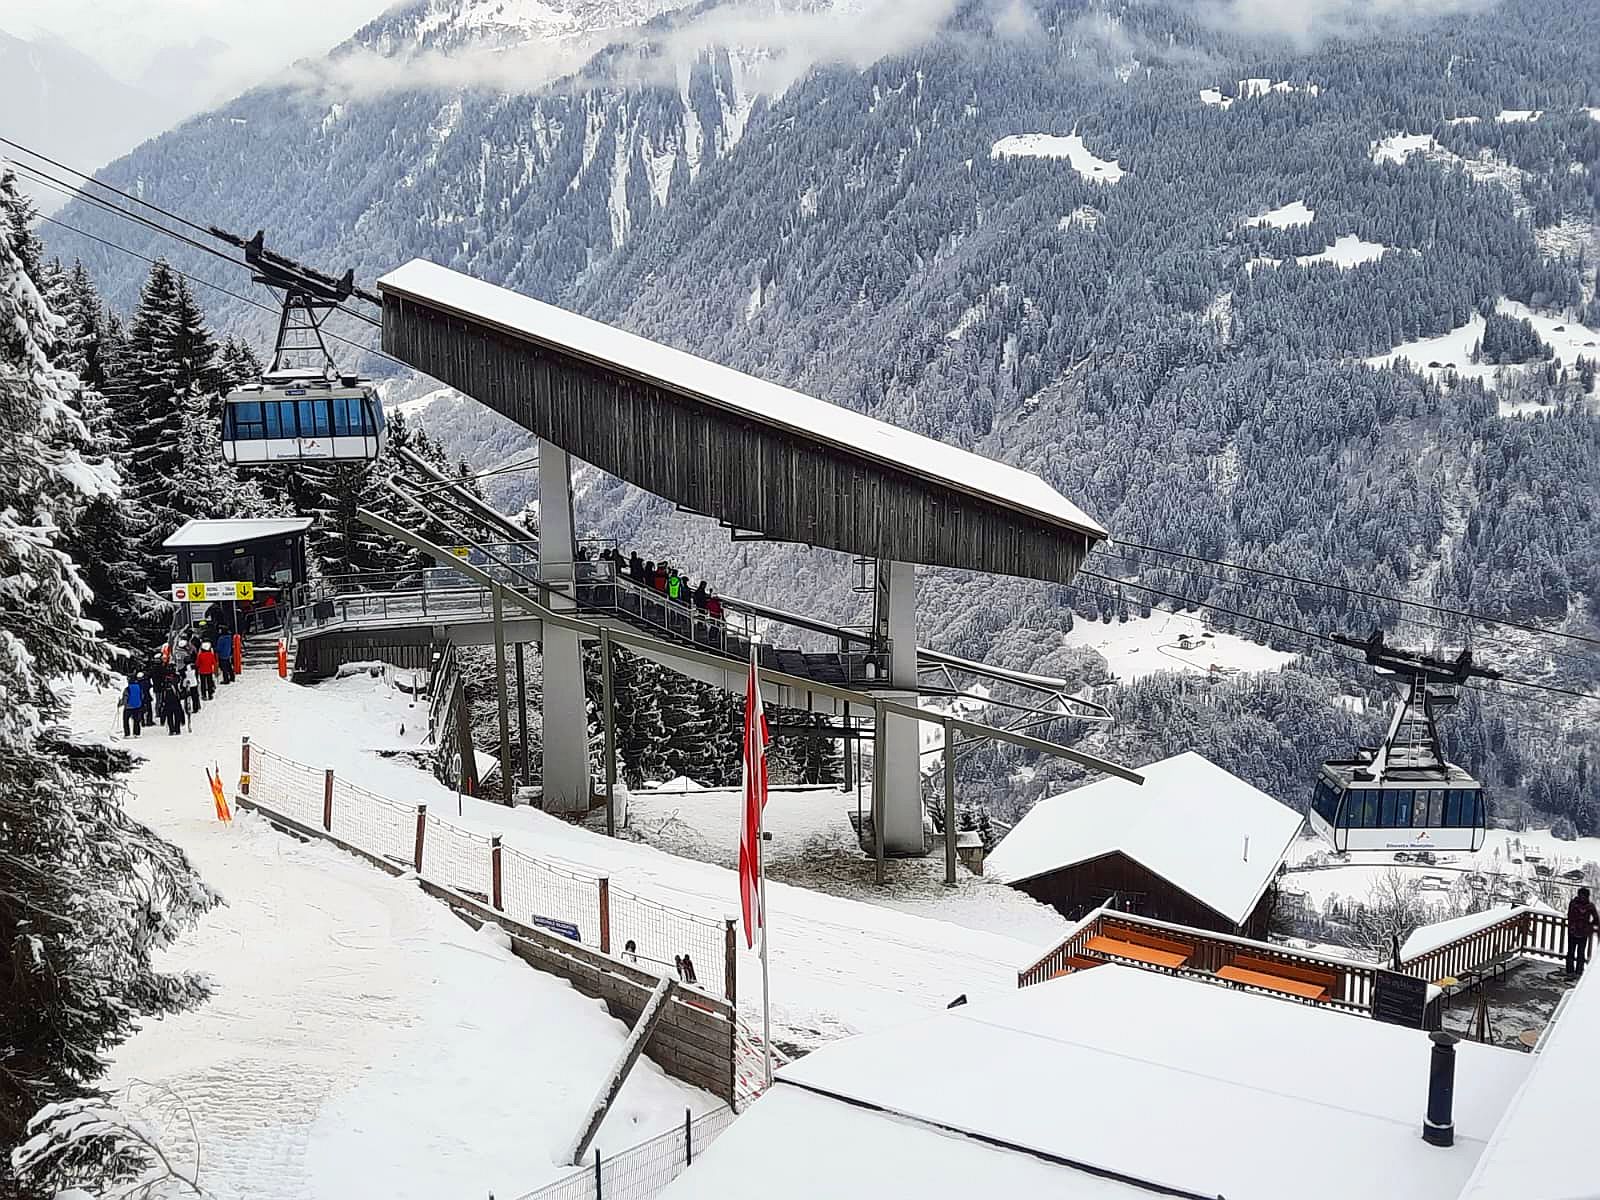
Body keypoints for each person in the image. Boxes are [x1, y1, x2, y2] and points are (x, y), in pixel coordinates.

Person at [1567, 887, 1599, 978]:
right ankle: (1579, 972)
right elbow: (1596, 919)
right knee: (1580, 953)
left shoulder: (1573, 903)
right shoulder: (1590, 906)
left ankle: (1570, 971)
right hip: (1583, 932)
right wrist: (1589, 925)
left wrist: (1572, 925)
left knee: (1571, 952)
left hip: (1572, 931)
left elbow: (1569, 916)